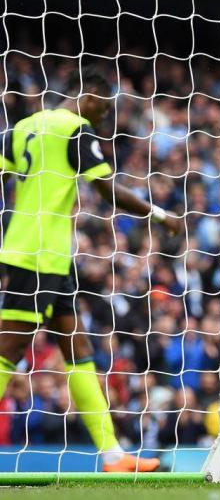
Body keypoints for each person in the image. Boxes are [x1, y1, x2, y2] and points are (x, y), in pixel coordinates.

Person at [0, 71, 179, 472]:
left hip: (49, 254)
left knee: (78, 350)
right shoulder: (75, 129)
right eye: (104, 109)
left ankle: (113, 455)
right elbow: (106, 189)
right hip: (38, 254)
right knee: (8, 351)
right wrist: (160, 215)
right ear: (91, 97)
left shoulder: (24, 127)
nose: (103, 119)